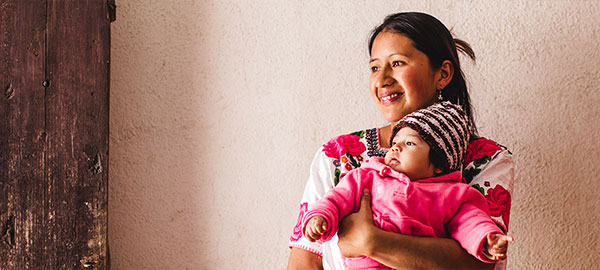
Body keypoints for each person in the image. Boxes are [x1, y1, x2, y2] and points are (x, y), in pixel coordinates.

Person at [288, 12, 514, 270]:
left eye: (397, 63)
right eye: (375, 67)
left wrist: (370, 242)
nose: (382, 80)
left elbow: (477, 264)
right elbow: (304, 261)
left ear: (442, 74)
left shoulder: (486, 159)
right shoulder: (337, 156)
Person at [302, 102, 513, 269]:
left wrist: (486, 240)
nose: (395, 148)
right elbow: (338, 198)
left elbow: (470, 222)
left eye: (409, 143)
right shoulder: (367, 176)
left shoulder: (453, 194)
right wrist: (321, 217)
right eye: (395, 143)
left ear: (439, 164)